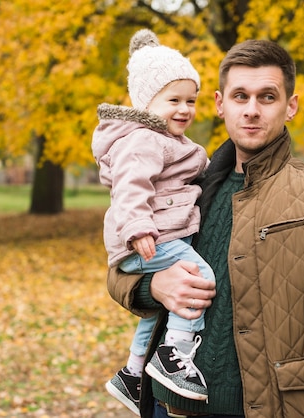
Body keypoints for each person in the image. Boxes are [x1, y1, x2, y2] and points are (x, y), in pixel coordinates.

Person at [107, 38, 304, 417]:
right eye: (240, 96)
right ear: (220, 104)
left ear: (291, 106)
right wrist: (152, 285)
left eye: (267, 97)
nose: (252, 110)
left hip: (284, 407)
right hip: (173, 407)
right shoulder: (188, 189)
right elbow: (120, 266)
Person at [92, 29, 216, 415]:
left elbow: (198, 173)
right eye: (173, 100)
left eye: (190, 100)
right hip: (148, 238)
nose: (184, 109)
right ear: (147, 103)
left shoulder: (172, 142)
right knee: (198, 278)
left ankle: (133, 374)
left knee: (159, 308)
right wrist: (138, 229)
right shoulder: (143, 140)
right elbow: (130, 187)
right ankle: (173, 355)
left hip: (152, 238)